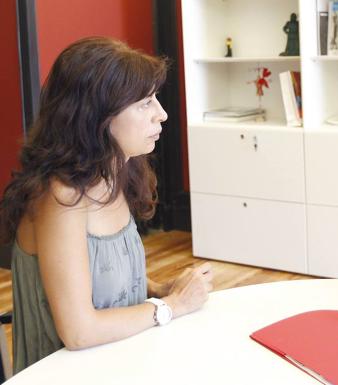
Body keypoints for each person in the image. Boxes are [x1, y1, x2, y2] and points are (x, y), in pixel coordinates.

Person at [0, 37, 213, 373]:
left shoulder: (114, 174)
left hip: (118, 359)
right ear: (98, 115)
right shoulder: (61, 198)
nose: (162, 114)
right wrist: (170, 306)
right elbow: (79, 332)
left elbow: (101, 275)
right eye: (145, 103)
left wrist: (159, 288)